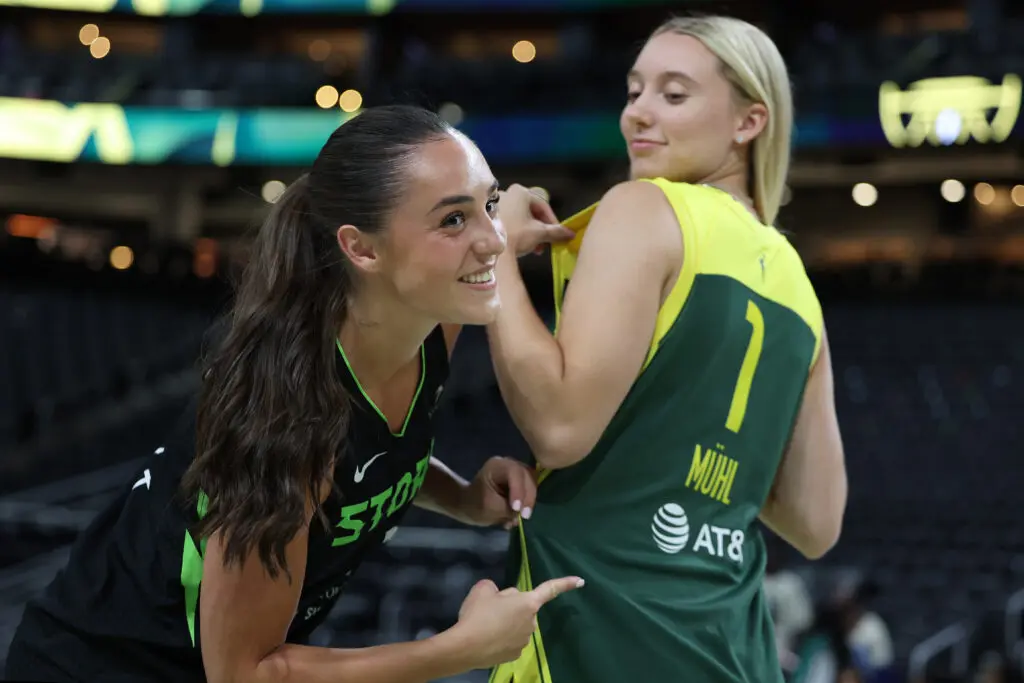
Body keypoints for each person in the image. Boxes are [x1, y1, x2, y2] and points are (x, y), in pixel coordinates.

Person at [5, 105, 583, 683]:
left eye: (487, 205)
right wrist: (461, 649)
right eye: (453, 221)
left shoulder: (431, 318)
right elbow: (247, 673)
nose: (491, 241)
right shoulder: (286, 424)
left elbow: (368, 456)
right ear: (362, 249)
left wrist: (458, 495)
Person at [486, 15, 847, 683]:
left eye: (673, 95)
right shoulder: (798, 282)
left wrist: (498, 255)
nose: (638, 115)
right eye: (633, 91)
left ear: (749, 121)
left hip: (598, 639)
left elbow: (561, 426)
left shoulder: (644, 209)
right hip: (734, 653)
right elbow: (817, 522)